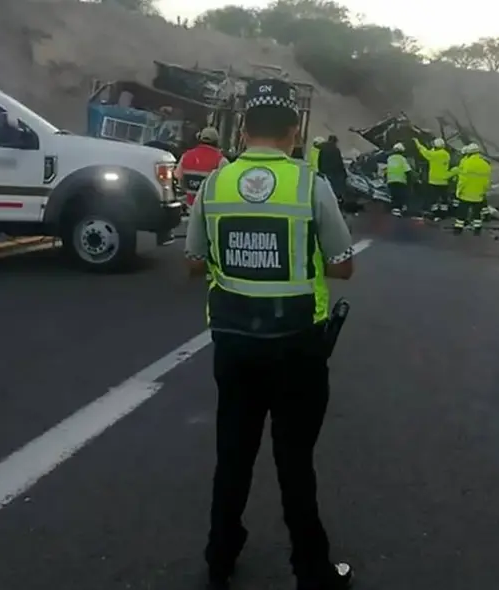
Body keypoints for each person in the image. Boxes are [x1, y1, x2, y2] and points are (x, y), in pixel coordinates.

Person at [183, 77, 355, 590]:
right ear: (292, 129)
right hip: (296, 345)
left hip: (234, 343)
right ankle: (312, 570)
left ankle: (220, 555)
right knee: (294, 462)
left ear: (243, 128)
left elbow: (193, 261)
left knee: (232, 453)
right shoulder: (309, 185)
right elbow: (343, 265)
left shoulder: (215, 184)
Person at [174, 127, 228, 209]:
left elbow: (178, 176)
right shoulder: (221, 160)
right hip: (209, 207)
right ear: (217, 142)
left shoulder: (186, 156)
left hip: (190, 205)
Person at [448, 143, 491, 234]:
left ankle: (458, 229)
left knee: (462, 213)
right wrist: (484, 191)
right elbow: (487, 181)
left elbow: (463, 180)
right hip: (478, 194)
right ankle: (477, 229)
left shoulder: (466, 163)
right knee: (477, 213)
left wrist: (459, 191)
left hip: (466, 194)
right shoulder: (485, 164)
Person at [412, 136, 452, 219]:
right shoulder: (446, 154)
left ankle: (435, 214)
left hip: (434, 181)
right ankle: (444, 215)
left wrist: (417, 143)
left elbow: (424, 152)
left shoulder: (433, 155)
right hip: (444, 181)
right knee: (443, 199)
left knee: (434, 199)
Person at [316, 134, 347, 203]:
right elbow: (339, 162)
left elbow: (319, 159)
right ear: (335, 141)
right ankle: (337, 199)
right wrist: (344, 172)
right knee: (336, 185)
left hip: (323, 170)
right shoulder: (336, 149)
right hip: (333, 171)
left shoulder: (321, 147)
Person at [385, 142, 412, 217]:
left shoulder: (389, 158)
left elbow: (386, 170)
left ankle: (394, 212)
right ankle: (398, 212)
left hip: (390, 181)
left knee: (394, 197)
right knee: (401, 197)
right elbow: (408, 171)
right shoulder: (402, 159)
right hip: (400, 181)